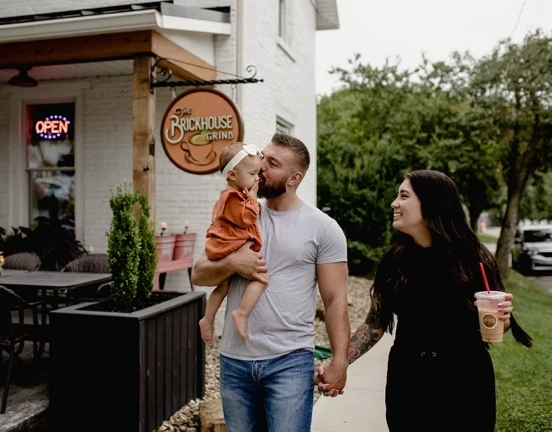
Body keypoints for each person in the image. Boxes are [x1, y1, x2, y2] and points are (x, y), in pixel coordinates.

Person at [316, 170, 533, 431]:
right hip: (408, 380)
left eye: (403, 196)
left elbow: (498, 323)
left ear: (431, 202)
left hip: (465, 381)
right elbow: (375, 322)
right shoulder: (394, 260)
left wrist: (502, 319)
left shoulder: (474, 259)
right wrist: (341, 362)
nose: (395, 203)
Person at [192, 133, 350, 432]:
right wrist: (232, 263)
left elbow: (335, 299)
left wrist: (339, 361)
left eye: (272, 163)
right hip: (235, 362)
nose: (261, 166)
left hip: (290, 362)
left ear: (294, 178)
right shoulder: (238, 214)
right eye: (262, 157)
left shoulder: (324, 229)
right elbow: (198, 274)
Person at [198, 142, 268, 345]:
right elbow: (245, 219)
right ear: (232, 176)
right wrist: (253, 200)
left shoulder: (232, 195)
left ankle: (208, 319)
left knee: (223, 285)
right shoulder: (232, 197)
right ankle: (242, 313)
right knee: (263, 276)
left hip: (225, 245)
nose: (257, 178)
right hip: (230, 245)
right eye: (253, 173)